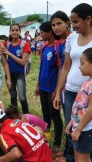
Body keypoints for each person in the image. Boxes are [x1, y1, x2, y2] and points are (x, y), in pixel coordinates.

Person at [53, 3, 92, 162]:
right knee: (71, 128)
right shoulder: (71, 38)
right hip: (71, 91)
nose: (74, 26)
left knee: (90, 129)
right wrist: (58, 92)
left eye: (76, 21)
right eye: (71, 22)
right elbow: (66, 67)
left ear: (88, 19)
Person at [35, 22, 63, 153]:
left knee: (55, 115)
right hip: (43, 87)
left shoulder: (58, 48)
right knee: (46, 115)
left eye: (42, 33)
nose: (40, 35)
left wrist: (57, 90)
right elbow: (41, 68)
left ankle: (57, 142)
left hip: (53, 89)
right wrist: (37, 85)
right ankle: (46, 138)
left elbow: (61, 70)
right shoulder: (43, 47)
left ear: (49, 33)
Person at [1, 23, 31, 114]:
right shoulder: (6, 44)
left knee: (22, 98)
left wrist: (9, 53)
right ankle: (15, 116)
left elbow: (23, 62)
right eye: (12, 30)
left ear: (20, 31)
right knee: (13, 96)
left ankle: (27, 116)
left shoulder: (24, 44)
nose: (14, 32)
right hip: (9, 74)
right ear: (9, 32)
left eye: (16, 30)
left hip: (20, 74)